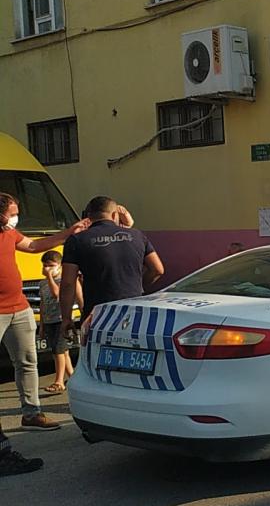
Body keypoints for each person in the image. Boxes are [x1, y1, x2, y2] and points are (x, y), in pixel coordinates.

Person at [0, 192, 89, 452]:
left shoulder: (10, 234)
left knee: (27, 362)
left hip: (19, 308)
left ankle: (32, 413)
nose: (16, 218)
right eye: (12, 213)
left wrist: (67, 234)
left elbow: (34, 246)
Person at [59, 197, 164, 334]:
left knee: (96, 353)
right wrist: (137, 287)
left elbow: (68, 283)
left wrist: (66, 318)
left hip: (97, 313)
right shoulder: (137, 235)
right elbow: (157, 269)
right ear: (114, 215)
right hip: (133, 310)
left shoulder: (77, 240)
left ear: (88, 216)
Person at [38, 250, 82, 396]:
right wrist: (42, 326)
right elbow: (43, 304)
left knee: (58, 352)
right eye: (45, 266)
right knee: (63, 352)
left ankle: (59, 381)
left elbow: (56, 294)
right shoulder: (42, 283)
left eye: (51, 266)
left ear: (59, 266)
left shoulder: (62, 281)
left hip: (60, 321)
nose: (47, 269)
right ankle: (74, 378)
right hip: (49, 321)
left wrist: (50, 276)